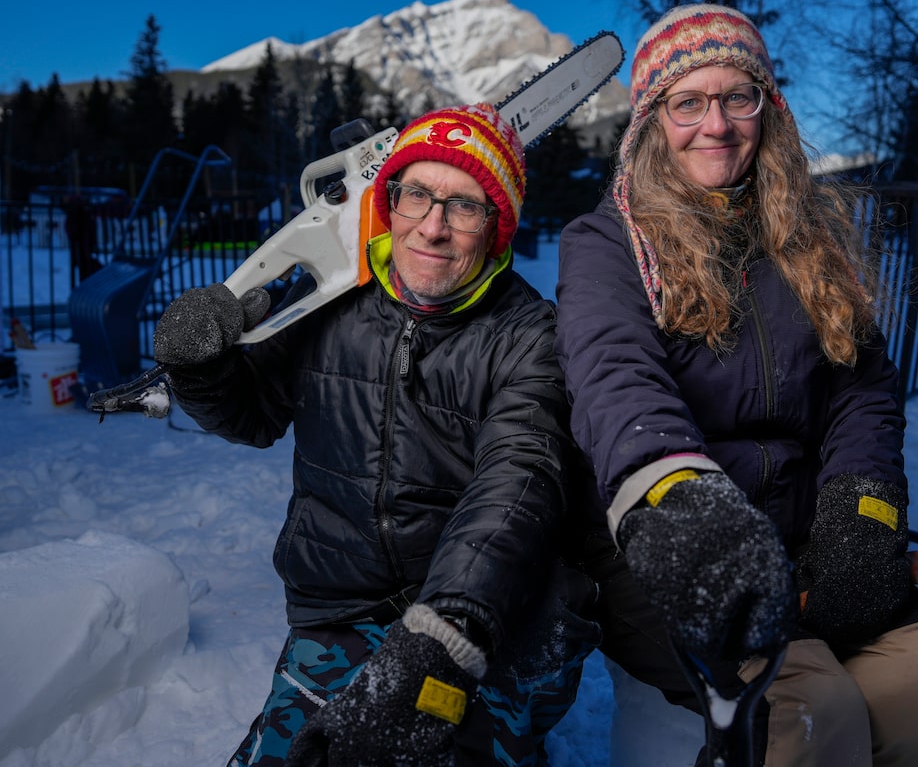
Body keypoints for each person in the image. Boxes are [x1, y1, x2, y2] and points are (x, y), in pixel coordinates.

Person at [554, 4, 918, 766]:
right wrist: (687, 507)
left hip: (810, 542)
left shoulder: (810, 239)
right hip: (685, 550)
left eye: (739, 96)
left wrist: (861, 517)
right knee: (809, 712)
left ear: (770, 109)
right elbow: (614, 380)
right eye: (688, 101)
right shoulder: (607, 245)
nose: (717, 123)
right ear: (652, 122)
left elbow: (863, 391)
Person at [152, 102, 599, 767]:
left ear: (498, 228)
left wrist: (441, 634)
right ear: (390, 198)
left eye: (465, 206)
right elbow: (252, 416)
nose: (433, 227)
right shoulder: (332, 301)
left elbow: (516, 484)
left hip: (494, 615)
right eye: (416, 193)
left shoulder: (531, 336)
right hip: (343, 605)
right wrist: (201, 369)